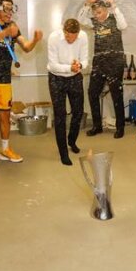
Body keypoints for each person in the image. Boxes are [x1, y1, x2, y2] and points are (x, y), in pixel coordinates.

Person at [0, 0, 42, 177]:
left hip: (4, 79)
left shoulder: (13, 27)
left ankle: (5, 150)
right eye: (6, 8)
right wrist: (5, 33)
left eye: (11, 8)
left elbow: (26, 47)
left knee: (5, 116)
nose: (9, 12)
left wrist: (35, 40)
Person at [78, 0, 128, 138]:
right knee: (92, 93)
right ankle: (97, 126)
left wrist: (114, 6)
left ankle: (120, 127)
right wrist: (87, 4)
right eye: (95, 13)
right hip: (99, 62)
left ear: (106, 10)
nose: (97, 16)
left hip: (115, 62)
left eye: (99, 12)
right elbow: (80, 20)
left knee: (116, 95)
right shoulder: (94, 22)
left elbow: (124, 25)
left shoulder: (115, 19)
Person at [47, 19, 89, 165]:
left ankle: (71, 140)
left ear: (78, 33)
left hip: (75, 77)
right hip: (56, 78)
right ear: (64, 31)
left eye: (74, 36)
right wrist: (69, 68)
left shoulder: (83, 36)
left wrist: (80, 65)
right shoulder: (53, 38)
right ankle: (63, 153)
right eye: (68, 36)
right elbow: (53, 65)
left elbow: (85, 60)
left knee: (78, 112)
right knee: (60, 116)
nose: (71, 39)